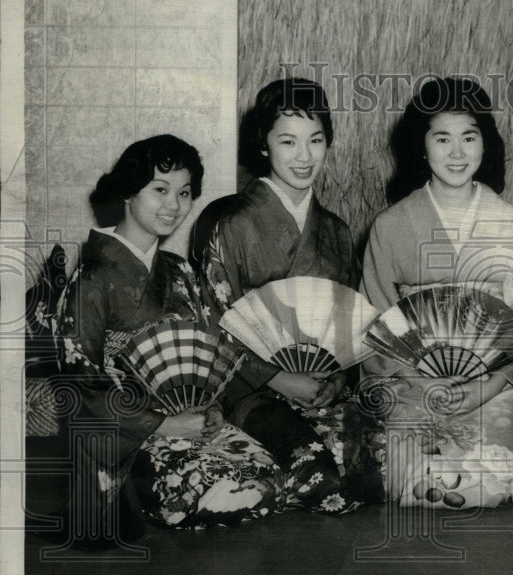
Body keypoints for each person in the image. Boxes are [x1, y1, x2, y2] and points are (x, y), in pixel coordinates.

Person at [52, 135, 281, 549]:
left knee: (268, 476)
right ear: (128, 191)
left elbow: (205, 356)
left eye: (185, 192)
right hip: (123, 441)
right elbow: (80, 383)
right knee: (216, 486)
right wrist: (161, 424)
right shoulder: (91, 279)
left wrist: (208, 406)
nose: (173, 205)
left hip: (186, 425)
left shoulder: (177, 271)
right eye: (160, 189)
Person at [361, 76, 513, 508]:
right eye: (442, 138)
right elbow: (375, 328)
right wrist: (420, 380)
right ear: (421, 146)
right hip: (413, 387)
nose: (457, 153)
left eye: (469, 137)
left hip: (492, 389)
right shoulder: (391, 226)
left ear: (486, 143)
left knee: (489, 479)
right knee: (405, 479)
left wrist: (487, 386)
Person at [200, 77, 383, 514]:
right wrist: (279, 378)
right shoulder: (231, 223)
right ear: (263, 145)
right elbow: (214, 322)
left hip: (324, 388)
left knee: (380, 475)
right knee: (324, 479)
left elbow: (349, 326)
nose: (304, 157)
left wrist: (338, 378)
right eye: (288, 141)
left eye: (315, 140)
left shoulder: (335, 230)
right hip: (251, 389)